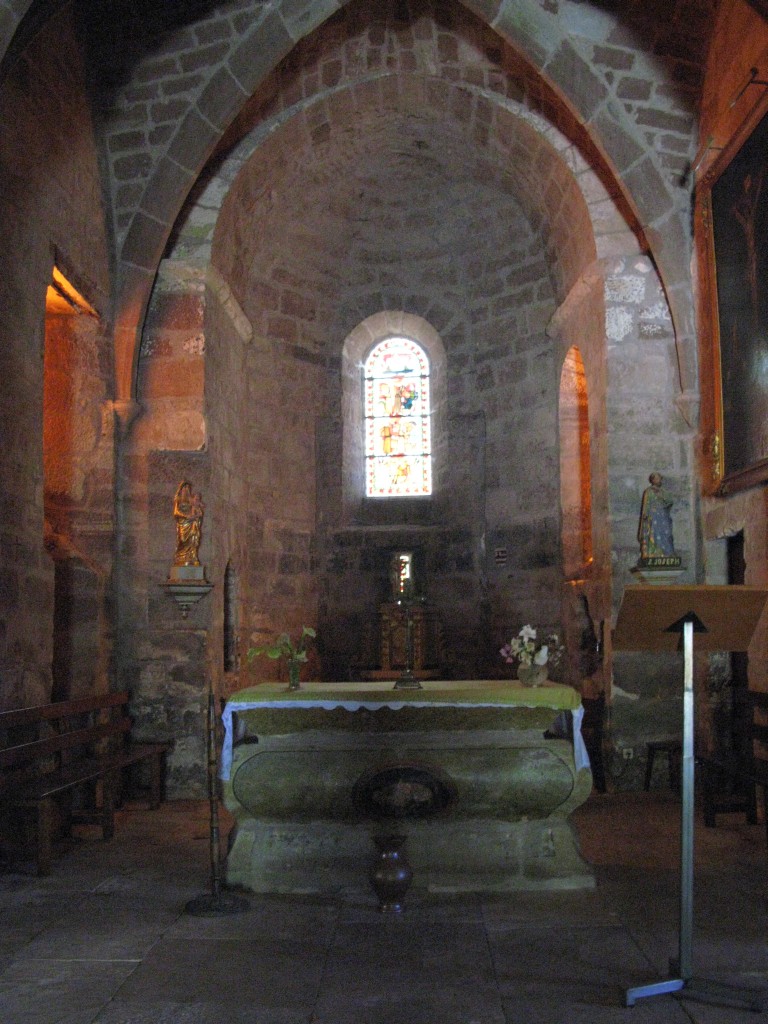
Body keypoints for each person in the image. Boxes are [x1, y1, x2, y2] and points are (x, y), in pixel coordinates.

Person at [637, 472, 676, 560]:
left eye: (660, 478)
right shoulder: (648, 491)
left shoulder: (663, 492)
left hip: (663, 516)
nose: (659, 480)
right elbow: (646, 505)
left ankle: (666, 553)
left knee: (666, 533)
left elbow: (670, 501)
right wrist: (645, 517)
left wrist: (664, 500)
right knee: (654, 534)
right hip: (653, 516)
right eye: (657, 478)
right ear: (653, 480)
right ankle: (653, 553)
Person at [173, 481, 204, 566]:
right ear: (181, 489)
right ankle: (181, 557)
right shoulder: (178, 499)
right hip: (183, 523)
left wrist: (196, 514)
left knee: (193, 538)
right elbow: (176, 512)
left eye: (188, 488)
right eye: (184, 488)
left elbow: (197, 506)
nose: (186, 490)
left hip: (192, 523)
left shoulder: (191, 500)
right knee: (183, 540)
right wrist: (186, 517)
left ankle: (192, 556)